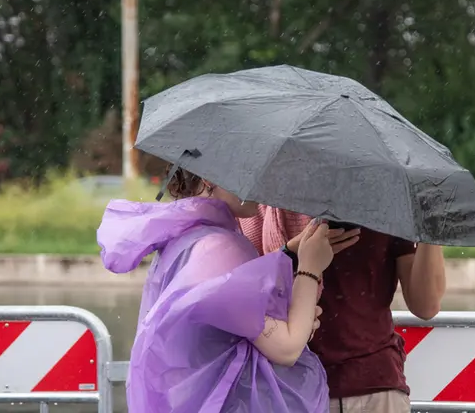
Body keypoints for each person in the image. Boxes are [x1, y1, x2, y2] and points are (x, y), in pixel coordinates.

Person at [97, 168, 347, 412]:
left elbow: (223, 322)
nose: (262, 185)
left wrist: (288, 254)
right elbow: (286, 348)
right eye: (251, 172)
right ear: (209, 176)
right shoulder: (219, 247)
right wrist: (310, 266)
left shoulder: (185, 237)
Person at [239, 206, 447, 413]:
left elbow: (425, 306)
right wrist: (293, 251)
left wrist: (430, 224)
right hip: (289, 388)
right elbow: (238, 292)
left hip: (373, 386)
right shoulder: (257, 207)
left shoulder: (387, 204)